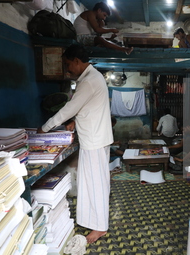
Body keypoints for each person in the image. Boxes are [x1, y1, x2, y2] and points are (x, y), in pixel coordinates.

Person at [37, 44, 113, 244]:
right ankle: (96, 222)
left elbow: (69, 108)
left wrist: (45, 128)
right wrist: (75, 122)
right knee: (93, 184)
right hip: (95, 139)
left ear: (77, 62)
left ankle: (100, 228)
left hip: (94, 141)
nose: (68, 69)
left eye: (69, 64)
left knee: (95, 186)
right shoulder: (93, 77)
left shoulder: (88, 81)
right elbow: (89, 108)